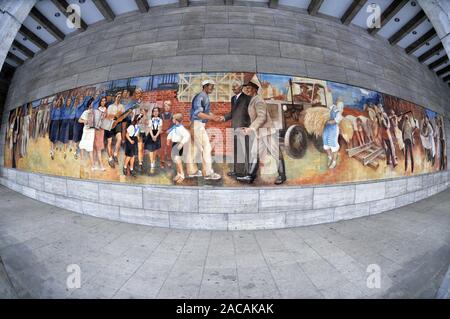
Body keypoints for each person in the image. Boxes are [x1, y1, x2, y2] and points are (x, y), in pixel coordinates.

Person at [237, 80, 286, 185]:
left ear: (255, 89)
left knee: (275, 153)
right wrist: (250, 128)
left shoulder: (258, 100)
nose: (247, 89)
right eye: (246, 88)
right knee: (255, 153)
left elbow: (262, 117)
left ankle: (282, 176)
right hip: (260, 132)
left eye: (249, 88)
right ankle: (250, 176)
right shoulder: (253, 100)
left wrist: (251, 129)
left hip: (267, 132)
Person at [186, 79, 222, 180]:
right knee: (206, 147)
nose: (212, 88)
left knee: (193, 148)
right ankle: (208, 173)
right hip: (198, 125)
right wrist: (211, 118)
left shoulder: (203, 96)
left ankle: (192, 171)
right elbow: (198, 113)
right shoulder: (201, 96)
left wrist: (214, 116)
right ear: (205, 86)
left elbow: (205, 112)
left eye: (212, 86)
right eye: (210, 86)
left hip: (195, 124)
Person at [220, 80, 252, 177]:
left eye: (235, 86)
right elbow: (233, 113)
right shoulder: (233, 98)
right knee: (236, 150)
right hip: (234, 128)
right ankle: (236, 171)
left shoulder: (248, 98)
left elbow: (251, 114)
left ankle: (244, 173)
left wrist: (247, 127)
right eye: (232, 86)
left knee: (244, 151)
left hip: (243, 128)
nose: (233, 88)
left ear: (241, 87)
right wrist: (224, 117)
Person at [167, 113, 191, 184]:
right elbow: (171, 134)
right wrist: (168, 139)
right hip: (174, 144)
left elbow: (187, 135)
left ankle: (182, 175)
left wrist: (181, 143)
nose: (172, 120)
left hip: (178, 144)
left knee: (178, 160)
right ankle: (178, 174)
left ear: (176, 120)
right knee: (175, 160)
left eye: (173, 119)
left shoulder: (181, 128)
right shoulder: (175, 127)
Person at [322, 99, 344, 169]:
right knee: (326, 143)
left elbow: (334, 122)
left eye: (340, 105)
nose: (338, 106)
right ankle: (330, 157)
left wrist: (326, 121)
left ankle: (334, 162)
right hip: (327, 129)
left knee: (333, 145)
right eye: (338, 104)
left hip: (333, 130)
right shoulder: (332, 107)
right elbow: (327, 111)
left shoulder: (339, 115)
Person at [106, 92, 125, 168]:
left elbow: (123, 116)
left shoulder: (122, 106)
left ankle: (115, 154)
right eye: (117, 96)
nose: (118, 98)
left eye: (120, 97)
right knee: (109, 142)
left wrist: (121, 116)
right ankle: (110, 159)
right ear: (115, 97)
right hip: (110, 124)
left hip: (118, 124)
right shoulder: (110, 106)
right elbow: (108, 116)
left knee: (119, 139)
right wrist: (115, 115)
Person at [78, 98, 96, 171]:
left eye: (93, 103)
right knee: (82, 145)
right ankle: (82, 161)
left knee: (90, 147)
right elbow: (79, 120)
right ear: (89, 104)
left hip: (92, 131)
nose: (93, 104)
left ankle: (93, 166)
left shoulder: (95, 112)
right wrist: (84, 120)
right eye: (92, 103)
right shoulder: (86, 112)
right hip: (86, 130)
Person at [145, 106, 162, 172]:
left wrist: (156, 136)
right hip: (151, 135)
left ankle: (153, 161)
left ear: (158, 112)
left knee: (155, 150)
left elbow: (160, 129)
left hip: (157, 134)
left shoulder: (160, 120)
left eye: (157, 111)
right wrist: (152, 136)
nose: (155, 112)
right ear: (152, 113)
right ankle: (152, 164)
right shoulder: (150, 120)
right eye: (154, 111)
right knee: (151, 150)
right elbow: (150, 129)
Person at [93, 97, 108, 171]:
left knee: (98, 147)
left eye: (104, 101)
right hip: (96, 129)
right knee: (96, 147)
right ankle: (100, 165)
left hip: (102, 129)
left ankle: (95, 163)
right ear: (100, 102)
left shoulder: (106, 110)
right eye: (102, 101)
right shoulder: (97, 109)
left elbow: (107, 119)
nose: (103, 102)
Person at [49, 95, 63, 160]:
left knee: (55, 138)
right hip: (54, 123)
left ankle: (53, 150)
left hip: (58, 124)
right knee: (52, 138)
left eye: (60, 102)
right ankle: (51, 151)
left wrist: (61, 98)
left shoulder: (61, 109)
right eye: (58, 102)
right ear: (57, 102)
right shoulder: (54, 109)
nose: (59, 103)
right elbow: (51, 117)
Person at [160, 100, 174, 169]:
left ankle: (168, 160)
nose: (167, 107)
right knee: (162, 147)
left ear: (170, 107)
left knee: (169, 147)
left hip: (169, 134)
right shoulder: (161, 115)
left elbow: (174, 125)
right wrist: (161, 130)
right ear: (164, 106)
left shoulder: (172, 115)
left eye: (169, 106)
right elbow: (159, 124)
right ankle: (162, 161)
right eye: (166, 106)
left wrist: (169, 130)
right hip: (162, 133)